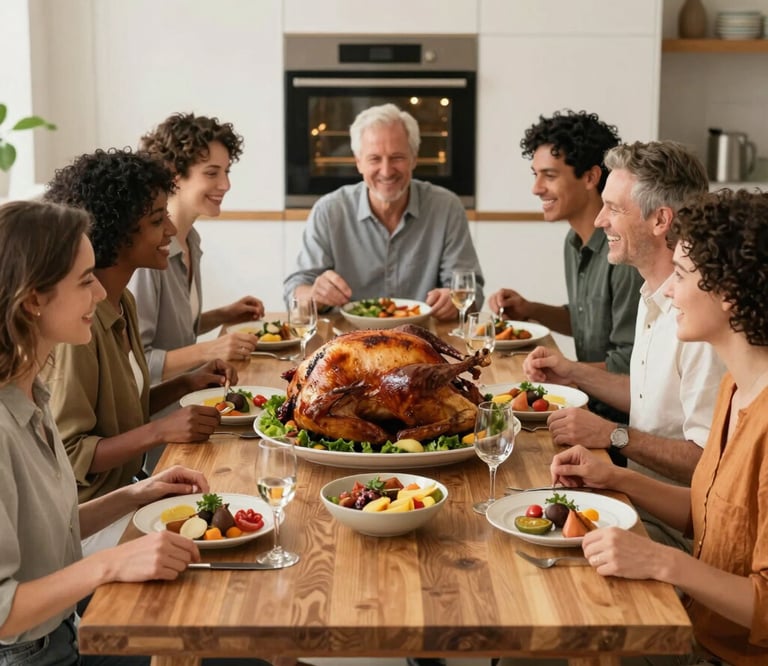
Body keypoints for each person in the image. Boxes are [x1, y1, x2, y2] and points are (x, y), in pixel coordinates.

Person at [547, 188, 768, 666]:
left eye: (683, 275)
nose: (668, 290)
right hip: (694, 622)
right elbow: (706, 514)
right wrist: (613, 477)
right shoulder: (734, 388)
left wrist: (660, 561)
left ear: (729, 294)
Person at [523, 141, 725, 548]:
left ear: (660, 220)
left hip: (676, 531)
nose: (599, 220)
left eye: (614, 208)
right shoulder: (651, 292)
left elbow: (710, 465)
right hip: (629, 502)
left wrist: (614, 436)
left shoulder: (700, 321)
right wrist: (572, 372)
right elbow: (649, 397)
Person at [42, 148, 236, 508]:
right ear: (115, 231)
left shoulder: (122, 301)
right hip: (94, 511)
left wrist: (186, 384)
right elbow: (71, 454)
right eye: (156, 220)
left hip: (133, 489)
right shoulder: (80, 328)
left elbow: (122, 412)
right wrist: (160, 430)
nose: (171, 229)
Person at [487, 110, 643, 447]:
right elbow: (586, 319)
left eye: (549, 176)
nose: (536, 188)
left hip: (616, 426)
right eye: (535, 175)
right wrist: (530, 308)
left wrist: (567, 373)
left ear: (590, 177)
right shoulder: (574, 243)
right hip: (586, 405)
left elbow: (629, 366)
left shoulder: (623, 254)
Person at [282, 102, 484, 321]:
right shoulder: (329, 211)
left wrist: (453, 301)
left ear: (414, 159)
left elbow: (473, 296)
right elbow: (293, 294)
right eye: (374, 159)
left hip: (424, 341)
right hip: (345, 342)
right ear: (358, 162)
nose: (386, 171)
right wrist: (313, 294)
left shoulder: (447, 208)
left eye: (397, 157)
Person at [129, 112, 265, 383]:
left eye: (226, 172)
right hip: (158, 412)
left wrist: (222, 315)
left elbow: (175, 336)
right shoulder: (147, 254)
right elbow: (136, 362)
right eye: (212, 173)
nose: (225, 185)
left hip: (189, 394)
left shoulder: (191, 240)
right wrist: (211, 349)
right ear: (174, 175)